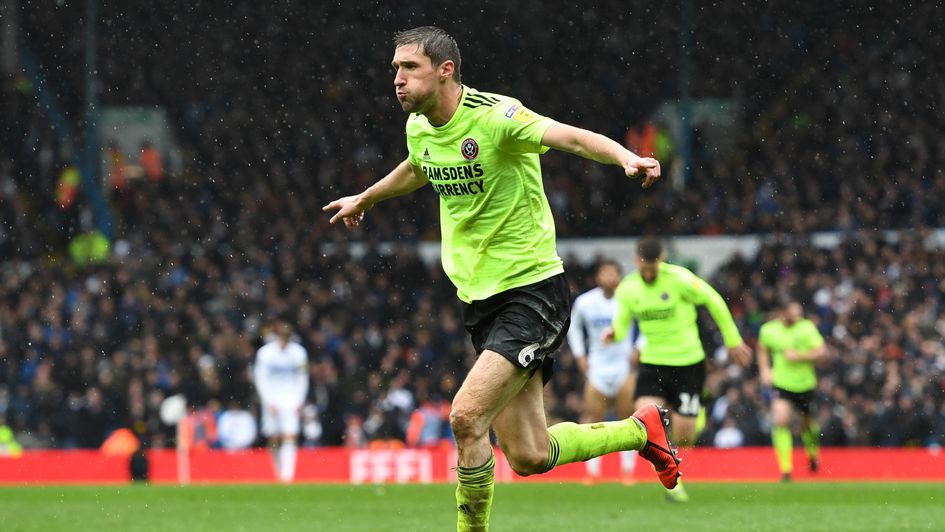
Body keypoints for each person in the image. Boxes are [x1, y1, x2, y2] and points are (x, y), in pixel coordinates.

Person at [324, 26, 678, 531]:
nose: (397, 79)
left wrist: (625, 156)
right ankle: (641, 432)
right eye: (395, 69)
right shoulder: (419, 127)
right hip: (480, 300)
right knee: (530, 454)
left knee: (466, 417)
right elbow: (418, 167)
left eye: (409, 68)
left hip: (531, 291)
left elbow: (568, 136)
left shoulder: (497, 117)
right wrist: (367, 197)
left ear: (445, 71)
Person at [604, 236, 752, 502]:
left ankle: (695, 414)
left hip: (687, 364)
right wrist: (613, 333)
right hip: (652, 363)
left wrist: (732, 340)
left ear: (661, 260)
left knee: (685, 436)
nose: (649, 273)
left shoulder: (680, 279)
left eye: (653, 267)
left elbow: (713, 300)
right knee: (647, 425)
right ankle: (674, 484)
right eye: (644, 267)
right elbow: (622, 326)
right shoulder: (628, 289)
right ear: (636, 261)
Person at [566, 260, 638, 484]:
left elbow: (647, 325)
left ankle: (627, 471)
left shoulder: (629, 299)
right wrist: (580, 355)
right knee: (594, 420)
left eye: (614, 273)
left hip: (623, 367)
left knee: (627, 419)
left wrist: (639, 348)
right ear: (598, 277)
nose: (610, 278)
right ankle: (592, 472)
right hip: (597, 368)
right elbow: (573, 328)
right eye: (606, 273)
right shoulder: (585, 302)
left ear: (620, 277)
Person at [757, 301, 826, 481]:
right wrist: (764, 370)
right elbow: (762, 348)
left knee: (806, 424)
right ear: (783, 312)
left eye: (798, 312)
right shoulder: (769, 330)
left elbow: (821, 352)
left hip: (805, 384)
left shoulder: (806, 328)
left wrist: (800, 355)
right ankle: (786, 469)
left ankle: (812, 452)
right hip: (781, 383)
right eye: (793, 312)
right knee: (780, 420)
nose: (797, 315)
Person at [254, 319, 309, 483]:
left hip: (291, 400)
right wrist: (267, 401)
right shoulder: (265, 353)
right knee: (273, 438)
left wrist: (300, 401)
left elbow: (303, 378)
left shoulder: (299, 353)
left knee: (290, 436)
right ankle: (277, 472)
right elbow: (260, 379)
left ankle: (287, 475)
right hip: (272, 400)